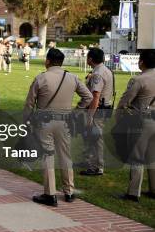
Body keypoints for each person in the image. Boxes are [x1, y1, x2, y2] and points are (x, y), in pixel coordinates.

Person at [24, 48, 92, 206]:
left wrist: (26, 121)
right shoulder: (72, 77)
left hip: (44, 121)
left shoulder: (41, 78)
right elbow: (88, 97)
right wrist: (76, 110)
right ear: (61, 62)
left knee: (48, 155)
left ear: (48, 60)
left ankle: (50, 194)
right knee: (65, 155)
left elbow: (29, 103)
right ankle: (69, 191)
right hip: (65, 121)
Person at [116, 49, 155, 202]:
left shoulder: (139, 79)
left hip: (142, 121)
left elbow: (126, 101)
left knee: (137, 157)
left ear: (142, 62)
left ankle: (133, 192)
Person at [81, 48, 114, 176]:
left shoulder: (98, 74)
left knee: (96, 138)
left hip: (97, 110)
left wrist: (90, 115)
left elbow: (95, 96)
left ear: (90, 59)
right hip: (104, 108)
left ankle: (96, 167)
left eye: (88, 56)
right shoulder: (105, 70)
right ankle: (91, 162)